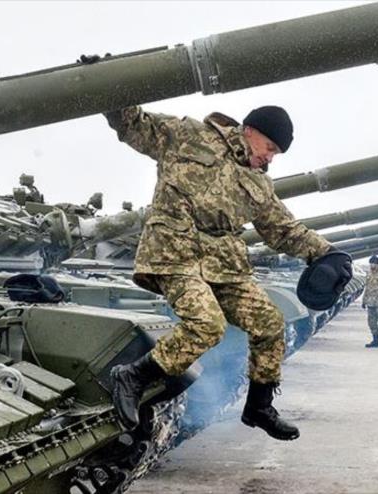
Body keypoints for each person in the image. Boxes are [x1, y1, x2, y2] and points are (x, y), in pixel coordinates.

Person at [103, 103, 350, 441]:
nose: (270, 158)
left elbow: (283, 229)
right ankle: (133, 376)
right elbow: (135, 125)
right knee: (207, 325)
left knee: (269, 323)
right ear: (251, 131)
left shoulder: (258, 184)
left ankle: (259, 406)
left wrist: (326, 251)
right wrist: (115, 92)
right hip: (175, 254)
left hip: (224, 266)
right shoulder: (189, 136)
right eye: (270, 149)